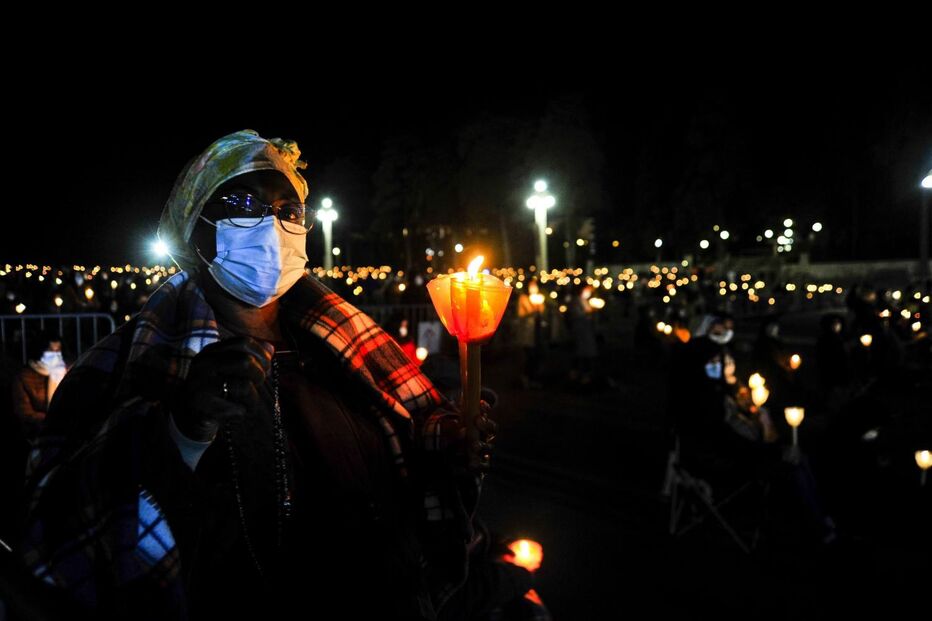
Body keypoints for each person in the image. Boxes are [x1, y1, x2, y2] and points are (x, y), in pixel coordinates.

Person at [16, 130, 524, 619]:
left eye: (288, 210)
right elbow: (68, 530)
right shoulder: (128, 366)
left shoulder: (348, 348)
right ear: (192, 230)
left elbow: (399, 485)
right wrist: (182, 431)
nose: (271, 225)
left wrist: (442, 447)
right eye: (242, 204)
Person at [11, 333, 69, 440]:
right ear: (40, 351)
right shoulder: (25, 377)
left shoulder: (67, 372)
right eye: (50, 350)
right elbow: (24, 411)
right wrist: (49, 421)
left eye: (58, 350)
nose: (55, 354)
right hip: (37, 432)